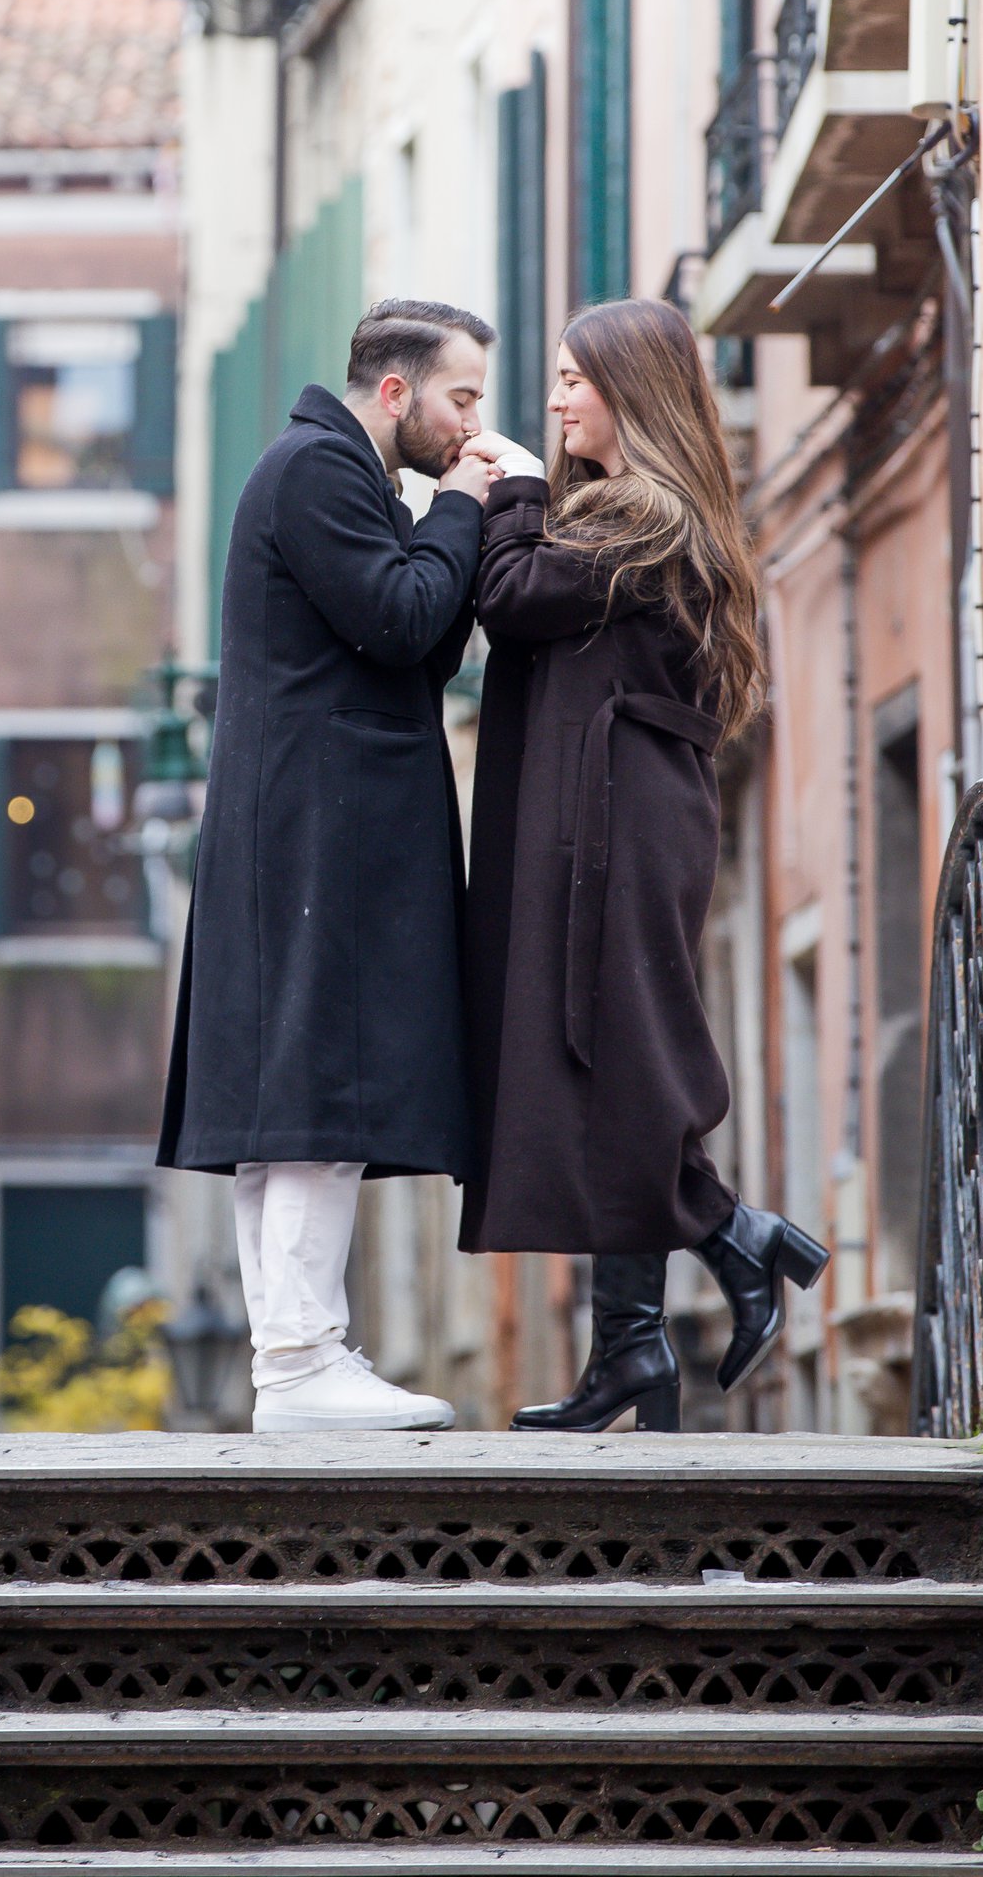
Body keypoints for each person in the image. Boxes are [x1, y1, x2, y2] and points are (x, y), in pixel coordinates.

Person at [455, 297, 828, 1432]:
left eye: (575, 377)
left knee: (615, 1050)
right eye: (556, 376)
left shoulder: (644, 512)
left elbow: (512, 597)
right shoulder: (631, 515)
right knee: (605, 1057)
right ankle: (631, 1346)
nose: (556, 395)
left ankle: (729, 1236)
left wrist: (512, 489)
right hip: (621, 812)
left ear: (632, 390)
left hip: (622, 822)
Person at [157, 299, 496, 1432]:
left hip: (311, 821)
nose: (472, 423)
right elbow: (407, 623)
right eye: (461, 397)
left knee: (292, 1096)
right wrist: (460, 508)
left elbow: (421, 637)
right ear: (394, 392)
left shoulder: (333, 475)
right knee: (314, 1094)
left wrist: (445, 528)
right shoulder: (318, 473)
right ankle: (303, 1360)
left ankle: (294, 1356)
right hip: (324, 825)